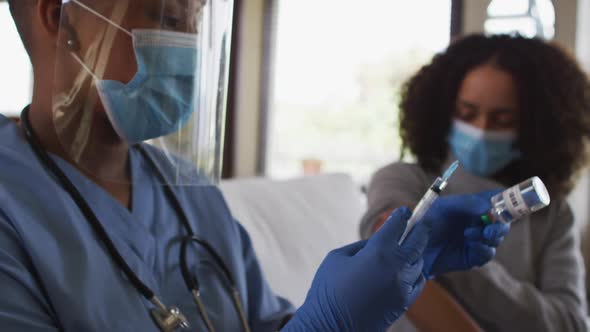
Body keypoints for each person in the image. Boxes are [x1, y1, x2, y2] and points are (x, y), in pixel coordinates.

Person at [0, 1, 509, 331]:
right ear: (57, 16)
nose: (189, 51)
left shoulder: (189, 190)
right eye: (170, 20)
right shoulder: (12, 212)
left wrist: (362, 291)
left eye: (196, 24)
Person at [360, 34, 590, 332]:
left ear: (536, 126)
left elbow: (569, 323)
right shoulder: (402, 179)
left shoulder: (551, 214)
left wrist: (449, 253)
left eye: (502, 120)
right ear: (444, 111)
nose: (480, 131)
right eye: (466, 113)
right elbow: (392, 257)